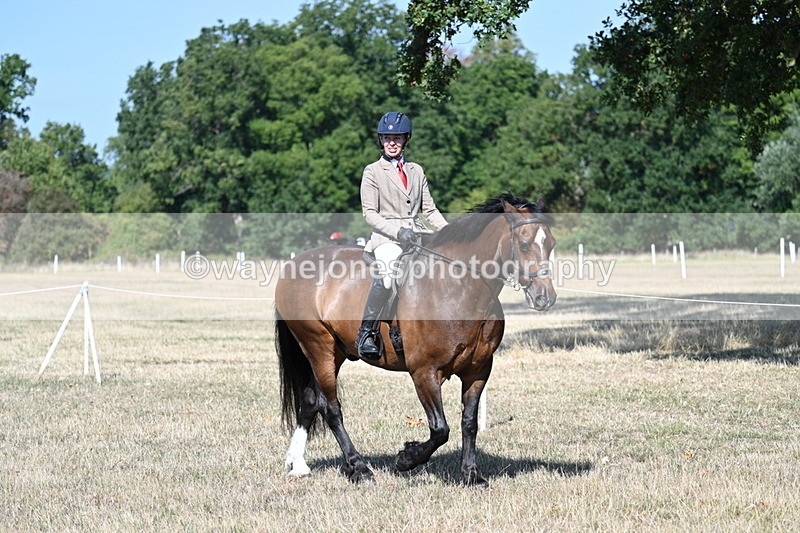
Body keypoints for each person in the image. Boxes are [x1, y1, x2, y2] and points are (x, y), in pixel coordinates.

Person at [355, 111, 449, 360]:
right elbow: (370, 214)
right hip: (387, 238)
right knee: (388, 276)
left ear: (406, 139)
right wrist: (398, 231)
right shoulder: (372, 171)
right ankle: (367, 332)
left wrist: (450, 232)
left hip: (417, 234)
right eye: (386, 138)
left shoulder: (416, 171)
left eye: (396, 137)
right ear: (381, 141)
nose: (391, 142)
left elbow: (429, 209)